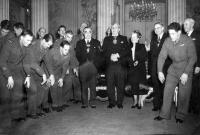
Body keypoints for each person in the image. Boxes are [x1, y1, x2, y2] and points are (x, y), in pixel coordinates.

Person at [154, 22, 197, 123]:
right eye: (170, 34)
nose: (171, 36)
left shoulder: (187, 40)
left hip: (186, 68)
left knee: (183, 94)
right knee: (167, 91)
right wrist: (159, 71)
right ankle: (164, 114)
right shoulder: (168, 41)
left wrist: (186, 73)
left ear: (179, 32)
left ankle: (180, 116)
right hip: (173, 68)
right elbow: (161, 56)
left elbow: (193, 57)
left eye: (173, 34)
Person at [0, 29, 34, 122]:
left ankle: (15, 116)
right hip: (4, 71)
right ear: (21, 37)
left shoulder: (26, 46)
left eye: (31, 40)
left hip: (16, 71)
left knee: (18, 95)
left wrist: (28, 76)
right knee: (5, 97)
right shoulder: (10, 43)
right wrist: (9, 76)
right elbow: (2, 61)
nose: (29, 42)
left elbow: (26, 61)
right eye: (28, 40)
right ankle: (4, 119)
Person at [23, 34, 54, 118]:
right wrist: (43, 74)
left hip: (37, 70)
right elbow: (32, 63)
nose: (48, 47)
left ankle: (36, 109)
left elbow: (48, 62)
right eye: (48, 44)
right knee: (33, 89)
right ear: (43, 40)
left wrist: (51, 74)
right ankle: (31, 113)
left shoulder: (45, 48)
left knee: (41, 88)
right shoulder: (33, 45)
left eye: (50, 45)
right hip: (27, 70)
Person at [102, 23, 129, 109]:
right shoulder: (106, 39)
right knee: (110, 84)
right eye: (112, 28)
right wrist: (110, 56)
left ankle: (120, 102)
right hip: (110, 65)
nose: (114, 29)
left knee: (120, 84)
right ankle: (112, 102)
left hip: (120, 65)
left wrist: (118, 55)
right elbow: (104, 51)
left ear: (119, 29)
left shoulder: (124, 38)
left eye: (116, 28)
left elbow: (127, 50)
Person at [47, 40, 78, 111]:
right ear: (61, 48)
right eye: (65, 49)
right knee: (54, 86)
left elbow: (64, 68)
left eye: (68, 50)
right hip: (48, 69)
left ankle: (60, 104)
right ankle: (54, 105)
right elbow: (48, 64)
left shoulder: (68, 55)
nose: (67, 51)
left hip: (58, 71)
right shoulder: (52, 51)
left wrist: (61, 78)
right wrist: (50, 75)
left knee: (60, 85)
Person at [76, 26, 102, 108]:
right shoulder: (79, 43)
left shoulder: (97, 42)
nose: (87, 33)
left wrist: (95, 66)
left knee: (93, 85)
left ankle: (92, 102)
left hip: (93, 67)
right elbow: (78, 55)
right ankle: (84, 103)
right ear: (83, 33)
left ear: (91, 33)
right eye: (86, 32)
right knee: (84, 86)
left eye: (89, 32)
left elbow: (100, 55)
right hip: (83, 67)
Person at [150, 22, 171, 111]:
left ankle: (164, 107)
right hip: (155, 66)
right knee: (156, 86)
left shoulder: (168, 38)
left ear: (163, 28)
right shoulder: (154, 39)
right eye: (155, 28)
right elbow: (151, 54)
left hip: (165, 66)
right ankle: (156, 105)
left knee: (164, 87)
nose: (156, 30)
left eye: (158, 28)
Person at [127, 30, 147, 109]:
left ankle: (139, 102)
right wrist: (131, 62)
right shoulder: (128, 47)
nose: (133, 38)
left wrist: (138, 61)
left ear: (138, 38)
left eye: (134, 37)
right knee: (133, 85)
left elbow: (145, 56)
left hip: (140, 69)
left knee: (140, 85)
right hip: (132, 69)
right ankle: (135, 101)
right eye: (132, 37)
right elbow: (126, 58)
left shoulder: (142, 46)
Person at [184, 18, 200, 115]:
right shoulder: (184, 36)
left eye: (186, 24)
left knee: (195, 88)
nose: (184, 26)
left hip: (195, 66)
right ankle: (189, 107)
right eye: (184, 24)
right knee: (187, 87)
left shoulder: (197, 36)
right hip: (185, 66)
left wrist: (199, 65)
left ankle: (196, 108)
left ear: (192, 25)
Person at [63, 30, 81, 103]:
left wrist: (75, 67)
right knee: (67, 83)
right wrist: (66, 67)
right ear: (64, 36)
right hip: (65, 66)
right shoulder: (60, 44)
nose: (69, 39)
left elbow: (73, 56)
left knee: (77, 81)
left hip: (73, 64)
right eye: (68, 37)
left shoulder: (72, 44)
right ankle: (63, 100)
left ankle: (78, 98)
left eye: (71, 37)